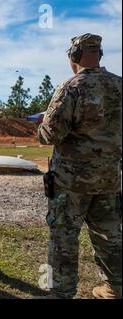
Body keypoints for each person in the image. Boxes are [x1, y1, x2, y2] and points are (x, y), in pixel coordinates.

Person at [38, 33, 122, 299]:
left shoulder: (70, 88)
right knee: (110, 235)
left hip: (71, 182)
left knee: (63, 236)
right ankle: (115, 287)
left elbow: (50, 135)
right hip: (110, 178)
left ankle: (61, 293)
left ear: (74, 56)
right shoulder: (120, 86)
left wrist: (40, 128)